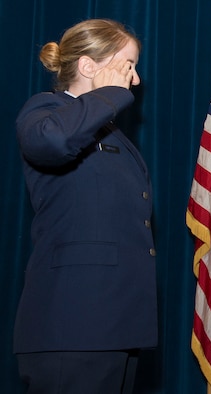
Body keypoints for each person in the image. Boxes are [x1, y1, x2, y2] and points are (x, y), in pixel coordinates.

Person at [14, 19, 158, 393]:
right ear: (89, 66)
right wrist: (108, 94)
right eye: (128, 65)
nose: (136, 80)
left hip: (116, 322)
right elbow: (51, 143)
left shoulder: (111, 134)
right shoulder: (45, 110)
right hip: (73, 323)